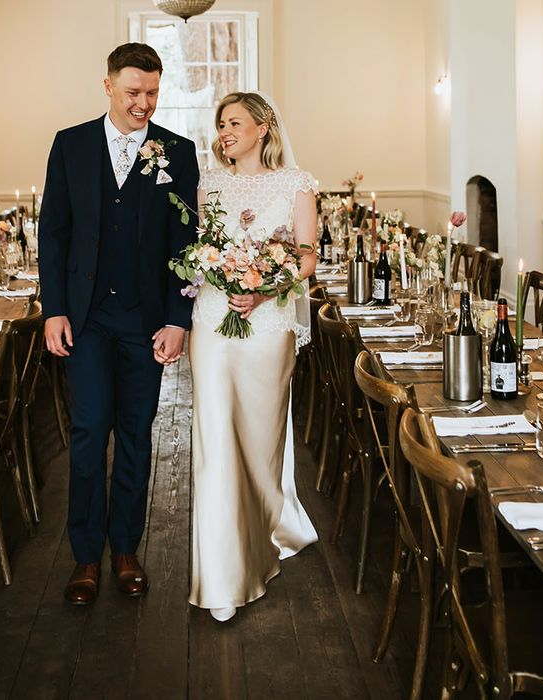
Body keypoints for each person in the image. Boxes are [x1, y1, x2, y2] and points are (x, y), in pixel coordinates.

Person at [38, 43, 198, 605]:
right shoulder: (70, 144)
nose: (144, 104)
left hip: (144, 319)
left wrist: (179, 319)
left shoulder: (177, 151)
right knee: (87, 434)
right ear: (107, 86)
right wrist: (52, 308)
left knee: (136, 433)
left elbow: (186, 244)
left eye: (153, 93)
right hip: (83, 320)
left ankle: (126, 549)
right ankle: (85, 556)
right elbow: (52, 233)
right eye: (133, 92)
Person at [188, 92, 319, 622]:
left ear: (263, 128)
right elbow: (200, 247)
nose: (225, 131)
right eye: (220, 124)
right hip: (212, 324)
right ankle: (222, 574)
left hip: (267, 325)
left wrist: (266, 288)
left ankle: (265, 532)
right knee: (213, 439)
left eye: (234, 123)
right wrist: (213, 267)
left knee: (261, 440)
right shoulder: (209, 183)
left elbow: (307, 255)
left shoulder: (297, 184)